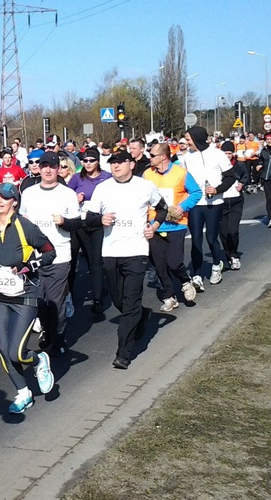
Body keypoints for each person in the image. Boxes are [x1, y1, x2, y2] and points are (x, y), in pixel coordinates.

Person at [85, 150, 168, 369]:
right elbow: (90, 218)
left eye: (121, 162)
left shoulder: (145, 186)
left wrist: (154, 227)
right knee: (118, 300)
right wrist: (101, 219)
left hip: (136, 251)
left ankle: (123, 353)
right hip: (111, 252)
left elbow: (162, 209)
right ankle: (142, 314)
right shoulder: (103, 188)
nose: (116, 165)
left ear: (131, 164)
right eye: (113, 162)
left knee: (130, 301)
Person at [0, 183, 56, 414]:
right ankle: (23, 393)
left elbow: (50, 252)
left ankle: (39, 360)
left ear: (14, 202)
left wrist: (28, 265)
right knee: (3, 350)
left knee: (17, 352)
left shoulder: (25, 227)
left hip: (26, 294)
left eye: (4, 197)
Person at [19, 153, 82, 353]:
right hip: (34, 256)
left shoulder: (67, 194)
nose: (47, 170)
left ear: (58, 169)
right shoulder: (29, 193)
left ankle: (58, 338)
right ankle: (47, 329)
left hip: (59, 255)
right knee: (39, 301)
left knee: (55, 301)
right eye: (44, 166)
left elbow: (76, 223)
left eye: (52, 166)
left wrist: (64, 222)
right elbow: (21, 220)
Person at [142, 143, 202, 312]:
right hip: (154, 224)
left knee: (174, 263)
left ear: (163, 157)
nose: (149, 158)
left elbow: (197, 192)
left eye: (152, 155)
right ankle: (169, 296)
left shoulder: (181, 173)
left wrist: (182, 207)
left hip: (176, 224)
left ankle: (185, 281)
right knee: (160, 265)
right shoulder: (147, 174)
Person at [178, 127, 234, 290]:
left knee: (211, 238)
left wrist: (217, 190)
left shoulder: (217, 154)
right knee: (196, 239)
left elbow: (231, 177)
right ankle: (196, 275)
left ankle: (216, 265)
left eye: (188, 139)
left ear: (197, 139)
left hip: (214, 203)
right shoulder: (186, 157)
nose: (187, 143)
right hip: (195, 203)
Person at [66, 147, 111, 316]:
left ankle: (98, 299)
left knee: (95, 262)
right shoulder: (77, 178)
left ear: (97, 161)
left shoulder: (107, 177)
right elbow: (65, 197)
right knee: (71, 261)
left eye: (91, 160)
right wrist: (74, 198)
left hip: (97, 223)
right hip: (78, 223)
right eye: (85, 161)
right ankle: (68, 296)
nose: (88, 163)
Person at [218, 140, 250, 270]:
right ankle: (228, 255)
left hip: (236, 201)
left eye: (229, 153)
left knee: (232, 231)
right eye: (225, 153)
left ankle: (234, 255)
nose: (227, 156)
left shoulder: (239, 165)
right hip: (221, 202)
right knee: (223, 233)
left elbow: (246, 176)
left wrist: (242, 184)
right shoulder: (217, 166)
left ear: (233, 154)